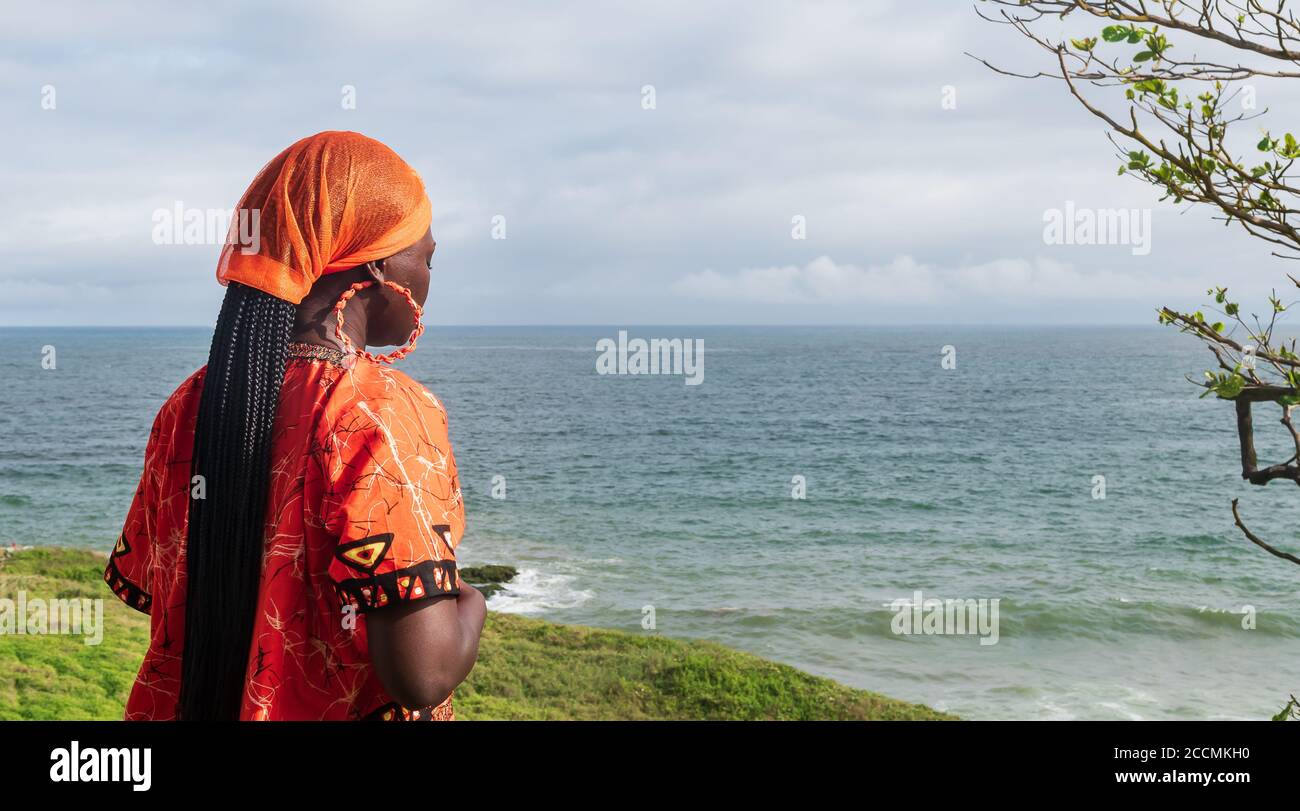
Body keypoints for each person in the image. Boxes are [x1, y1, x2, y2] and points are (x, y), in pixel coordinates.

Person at [104, 131, 486, 720]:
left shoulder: (189, 403)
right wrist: (472, 601)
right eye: (427, 257)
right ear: (379, 265)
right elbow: (423, 672)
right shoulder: (379, 412)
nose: (431, 278)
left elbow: (165, 595)